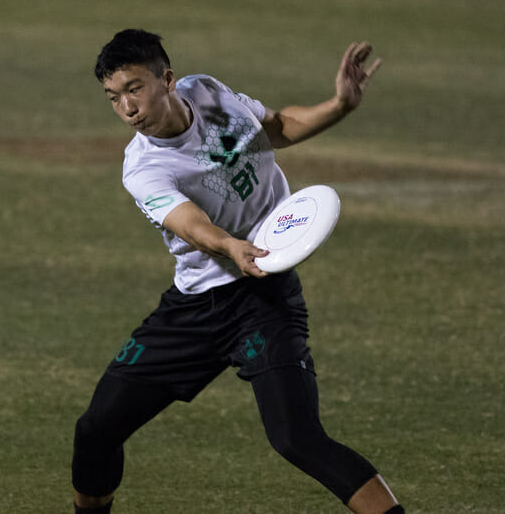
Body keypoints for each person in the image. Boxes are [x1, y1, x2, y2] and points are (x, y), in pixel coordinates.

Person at [72, 29, 402, 514]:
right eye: (113, 97)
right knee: (96, 429)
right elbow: (190, 224)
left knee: (298, 438)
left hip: (264, 300)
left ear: (167, 79)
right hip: (193, 310)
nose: (126, 108)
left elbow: (279, 127)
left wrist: (339, 105)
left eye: (134, 88)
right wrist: (231, 245)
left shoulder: (208, 91)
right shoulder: (142, 167)